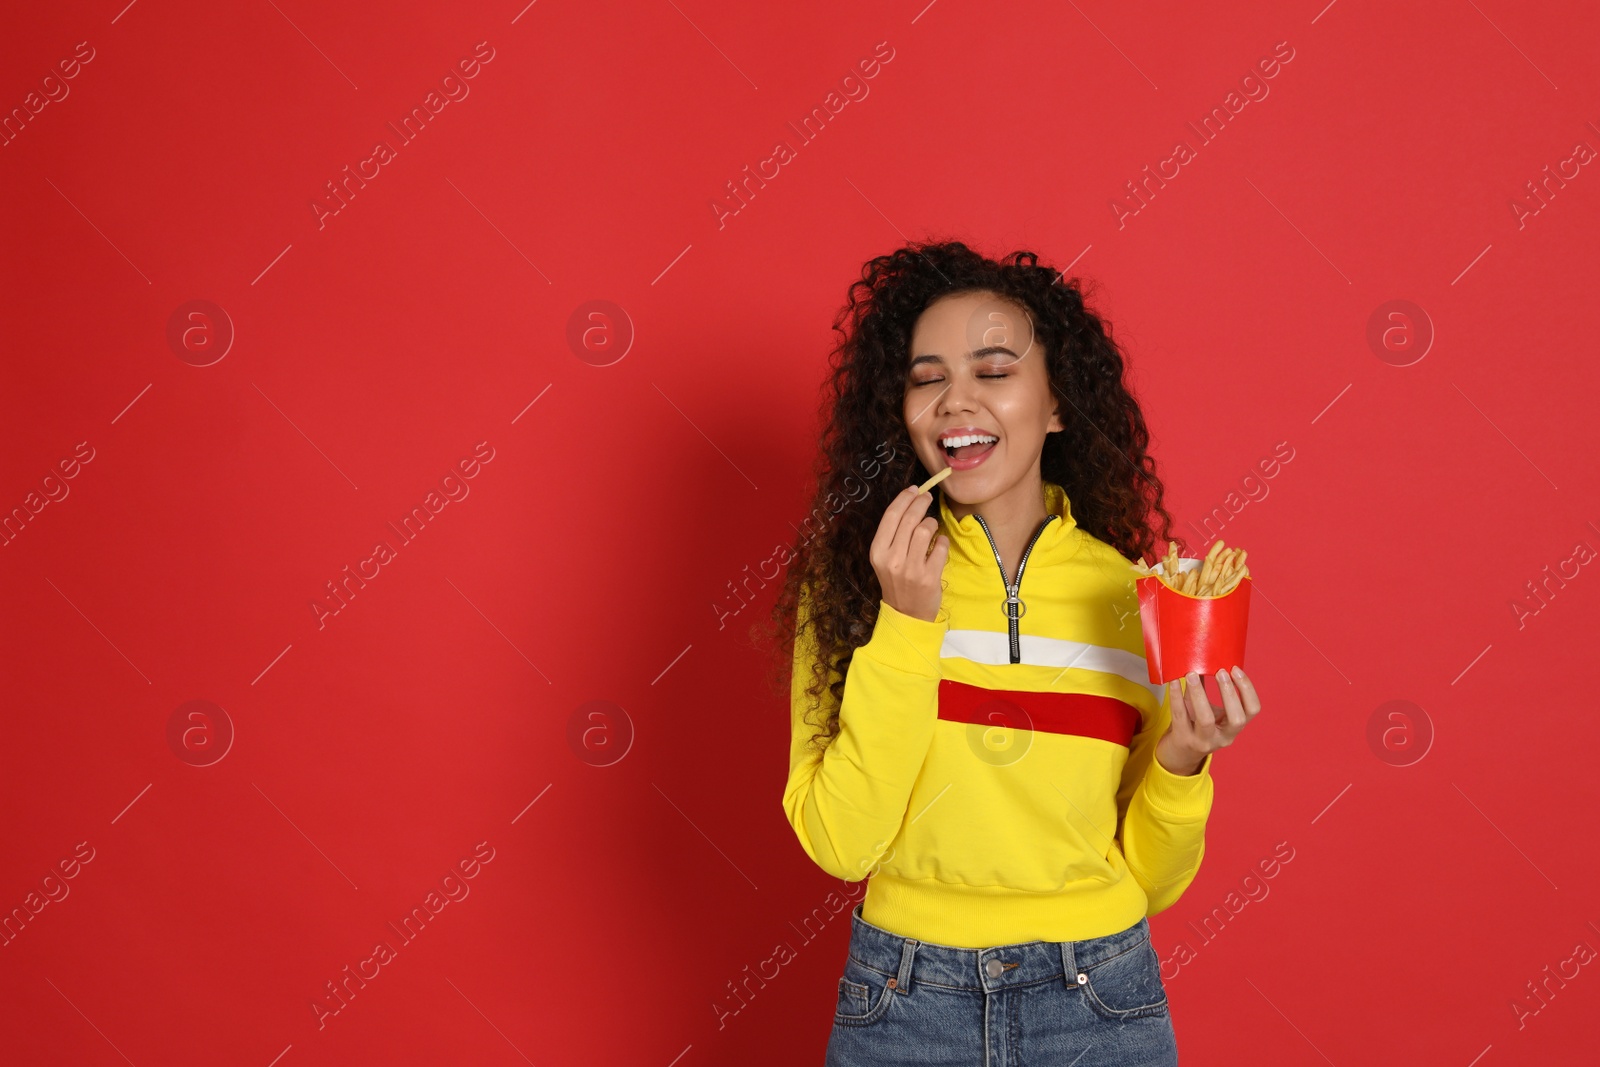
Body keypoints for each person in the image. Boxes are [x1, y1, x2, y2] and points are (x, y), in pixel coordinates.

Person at [769, 241, 1264, 1065]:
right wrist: (906, 623)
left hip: (1098, 999)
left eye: (993, 371)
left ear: (1058, 404)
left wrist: (1184, 756)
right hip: (902, 999)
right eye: (927, 378)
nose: (954, 400)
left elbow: (1151, 880)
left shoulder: (1133, 596)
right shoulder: (862, 586)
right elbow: (840, 843)